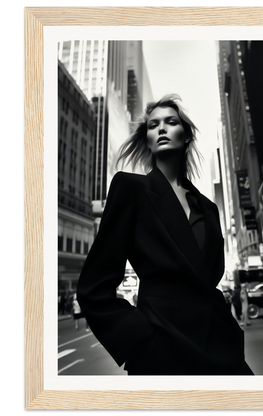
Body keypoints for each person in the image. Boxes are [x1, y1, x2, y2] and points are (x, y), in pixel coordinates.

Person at [77, 94, 253, 376]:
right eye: (153, 125)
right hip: (161, 351)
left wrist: (229, 328)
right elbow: (93, 287)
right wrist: (140, 336)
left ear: (186, 137)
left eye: (171, 122)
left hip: (221, 347)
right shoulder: (130, 189)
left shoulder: (208, 208)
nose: (161, 128)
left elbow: (210, 277)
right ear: (147, 140)